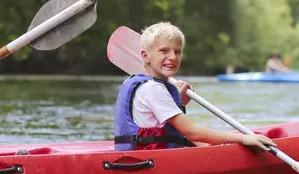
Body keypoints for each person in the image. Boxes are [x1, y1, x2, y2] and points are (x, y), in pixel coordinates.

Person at [114, 22, 276, 153]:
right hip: (151, 162)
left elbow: (159, 124)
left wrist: (179, 102)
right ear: (145, 56)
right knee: (202, 140)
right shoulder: (154, 89)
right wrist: (243, 138)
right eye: (164, 51)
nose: (172, 57)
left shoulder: (144, 85)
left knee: (203, 144)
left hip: (141, 153)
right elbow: (192, 132)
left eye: (177, 52)